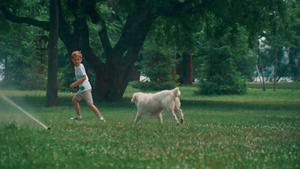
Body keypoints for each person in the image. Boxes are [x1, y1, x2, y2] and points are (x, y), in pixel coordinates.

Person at [70, 51, 106, 122]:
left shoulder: (81, 67)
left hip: (86, 88)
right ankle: (79, 116)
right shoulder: (76, 67)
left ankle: (101, 118)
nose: (76, 61)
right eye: (75, 60)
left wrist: (75, 84)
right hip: (82, 89)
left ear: (81, 59)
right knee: (74, 100)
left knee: (90, 104)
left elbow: (84, 78)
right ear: (72, 60)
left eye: (78, 59)